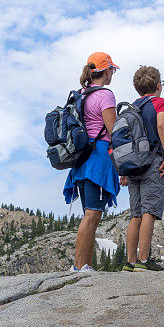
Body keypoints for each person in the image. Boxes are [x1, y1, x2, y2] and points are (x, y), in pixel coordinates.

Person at [63, 52, 121, 272]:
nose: (112, 74)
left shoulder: (81, 94)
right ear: (106, 70)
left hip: (81, 159)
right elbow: (113, 129)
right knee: (93, 214)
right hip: (97, 160)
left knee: (90, 213)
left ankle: (85, 265)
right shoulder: (105, 95)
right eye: (112, 70)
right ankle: (78, 267)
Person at [121, 65, 164, 271]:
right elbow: (161, 125)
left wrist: (123, 170)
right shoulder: (161, 102)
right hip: (152, 162)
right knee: (149, 211)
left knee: (136, 214)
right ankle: (143, 261)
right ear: (158, 85)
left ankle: (130, 262)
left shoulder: (130, 108)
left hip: (132, 166)